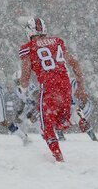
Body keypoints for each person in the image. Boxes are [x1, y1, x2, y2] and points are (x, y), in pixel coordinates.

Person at [18, 17, 88, 162]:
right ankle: (76, 116)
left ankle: (58, 157)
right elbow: (74, 63)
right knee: (61, 121)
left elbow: (25, 75)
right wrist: (80, 85)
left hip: (49, 86)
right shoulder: (57, 41)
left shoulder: (28, 47)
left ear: (30, 31)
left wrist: (23, 89)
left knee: (46, 125)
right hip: (65, 84)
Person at [57, 77, 98, 141]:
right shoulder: (55, 86)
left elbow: (84, 99)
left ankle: (94, 138)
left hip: (84, 105)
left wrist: (80, 110)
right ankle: (61, 137)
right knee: (57, 116)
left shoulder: (73, 83)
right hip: (72, 107)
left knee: (77, 115)